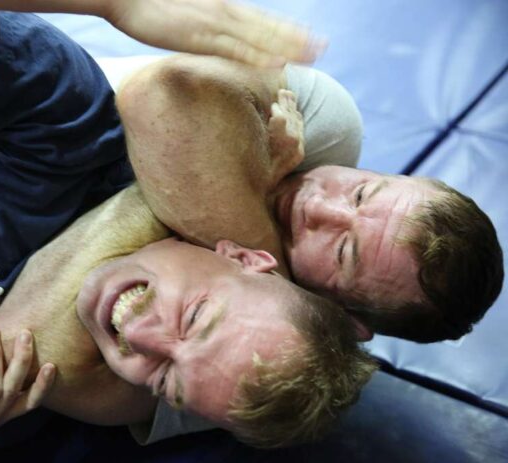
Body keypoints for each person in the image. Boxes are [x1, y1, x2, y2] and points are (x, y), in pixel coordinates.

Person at [0, 0, 375, 451]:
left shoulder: (3, 403)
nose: (141, 339)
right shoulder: (62, 136)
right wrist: (111, 5)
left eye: (163, 379)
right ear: (243, 254)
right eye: (195, 317)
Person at [117, 54, 504, 343]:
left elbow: (60, 356)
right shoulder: (327, 126)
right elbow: (158, 94)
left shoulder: (243, 359)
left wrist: (252, 186)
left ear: (342, 317)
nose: (317, 207)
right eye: (361, 192)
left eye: (343, 252)